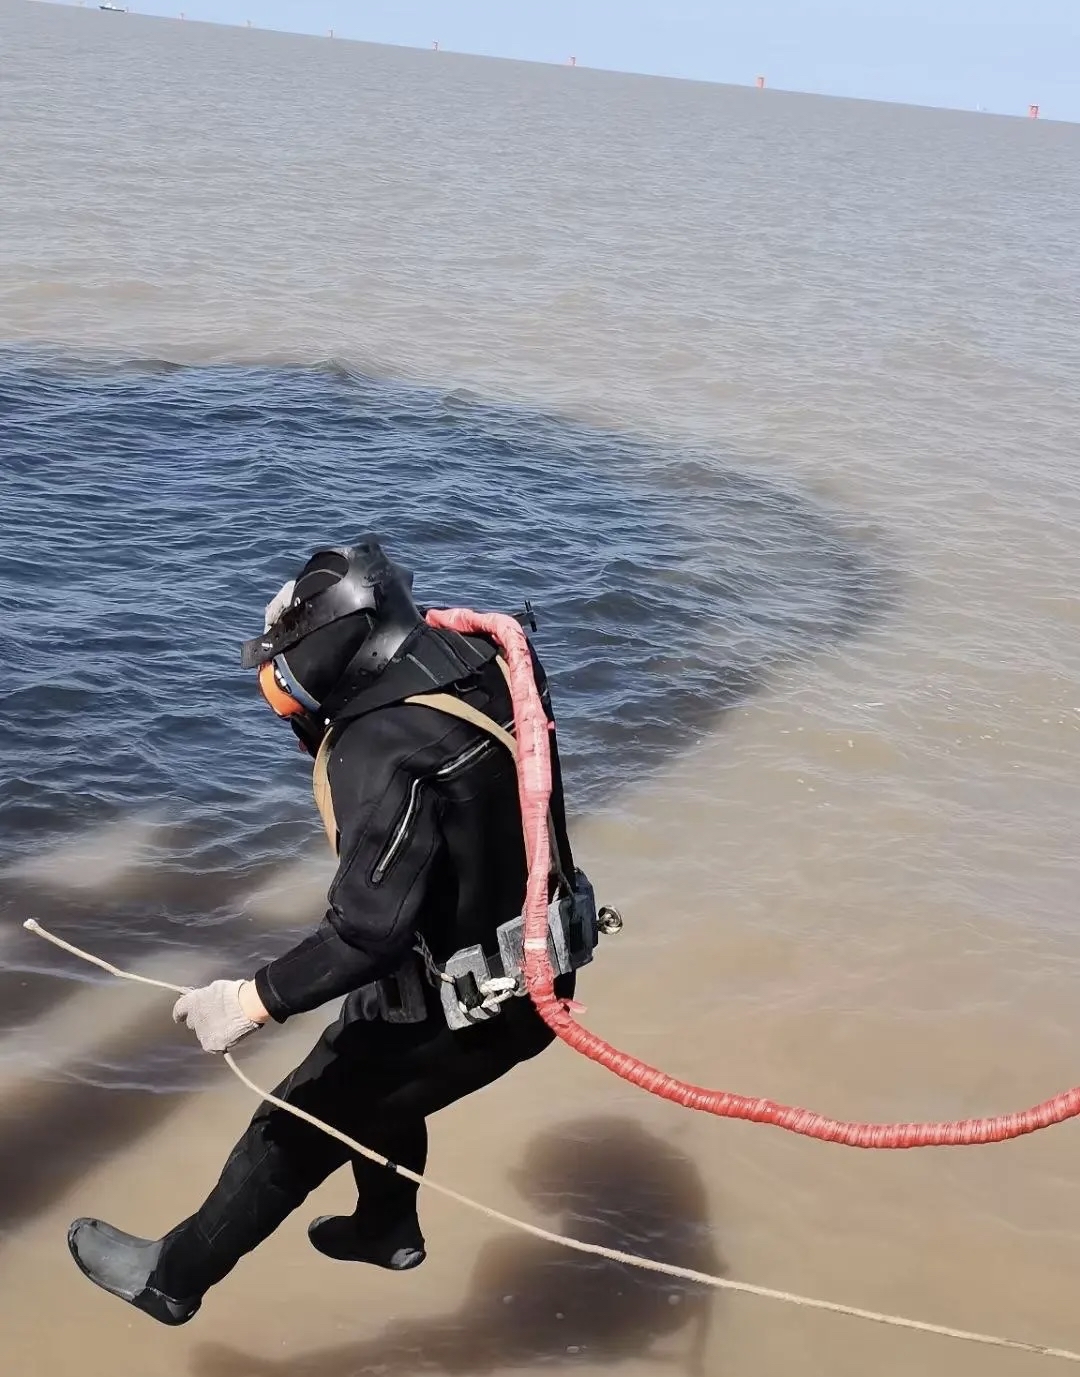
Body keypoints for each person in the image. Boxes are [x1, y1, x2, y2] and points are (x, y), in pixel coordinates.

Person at [67, 537, 586, 1326]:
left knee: (296, 1120)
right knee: (372, 1053)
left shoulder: (380, 748)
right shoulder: (484, 656)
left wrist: (248, 1001)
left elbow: (365, 934)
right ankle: (386, 1223)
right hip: (535, 956)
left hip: (480, 1006)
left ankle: (171, 1278)